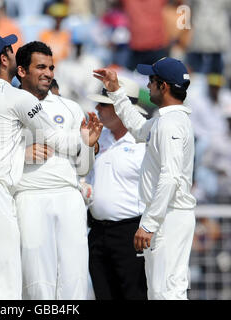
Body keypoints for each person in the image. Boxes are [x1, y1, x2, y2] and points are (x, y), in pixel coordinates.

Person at [0, 33, 102, 300]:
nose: (48, 72)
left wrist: (19, 154)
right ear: (4, 59)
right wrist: (83, 140)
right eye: (10, 50)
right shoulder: (19, 99)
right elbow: (56, 138)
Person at [93, 57, 196, 300]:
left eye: (151, 80)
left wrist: (148, 224)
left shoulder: (170, 124)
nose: (147, 86)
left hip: (169, 216)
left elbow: (169, 177)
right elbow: (139, 129)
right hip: (168, 214)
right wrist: (116, 92)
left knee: (166, 293)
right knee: (161, 291)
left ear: (164, 86)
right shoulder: (166, 120)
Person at [14, 41, 101, 299]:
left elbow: (83, 167)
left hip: (67, 195)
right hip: (28, 195)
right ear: (21, 71)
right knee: (36, 279)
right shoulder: (7, 105)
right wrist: (22, 155)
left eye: (51, 67)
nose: (48, 73)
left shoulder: (69, 108)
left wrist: (88, 146)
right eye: (40, 67)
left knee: (74, 278)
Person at [85, 76, 148, 300]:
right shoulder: (96, 137)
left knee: (134, 295)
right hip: (97, 233)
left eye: (103, 103)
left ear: (122, 107)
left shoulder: (144, 143)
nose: (97, 108)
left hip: (131, 234)